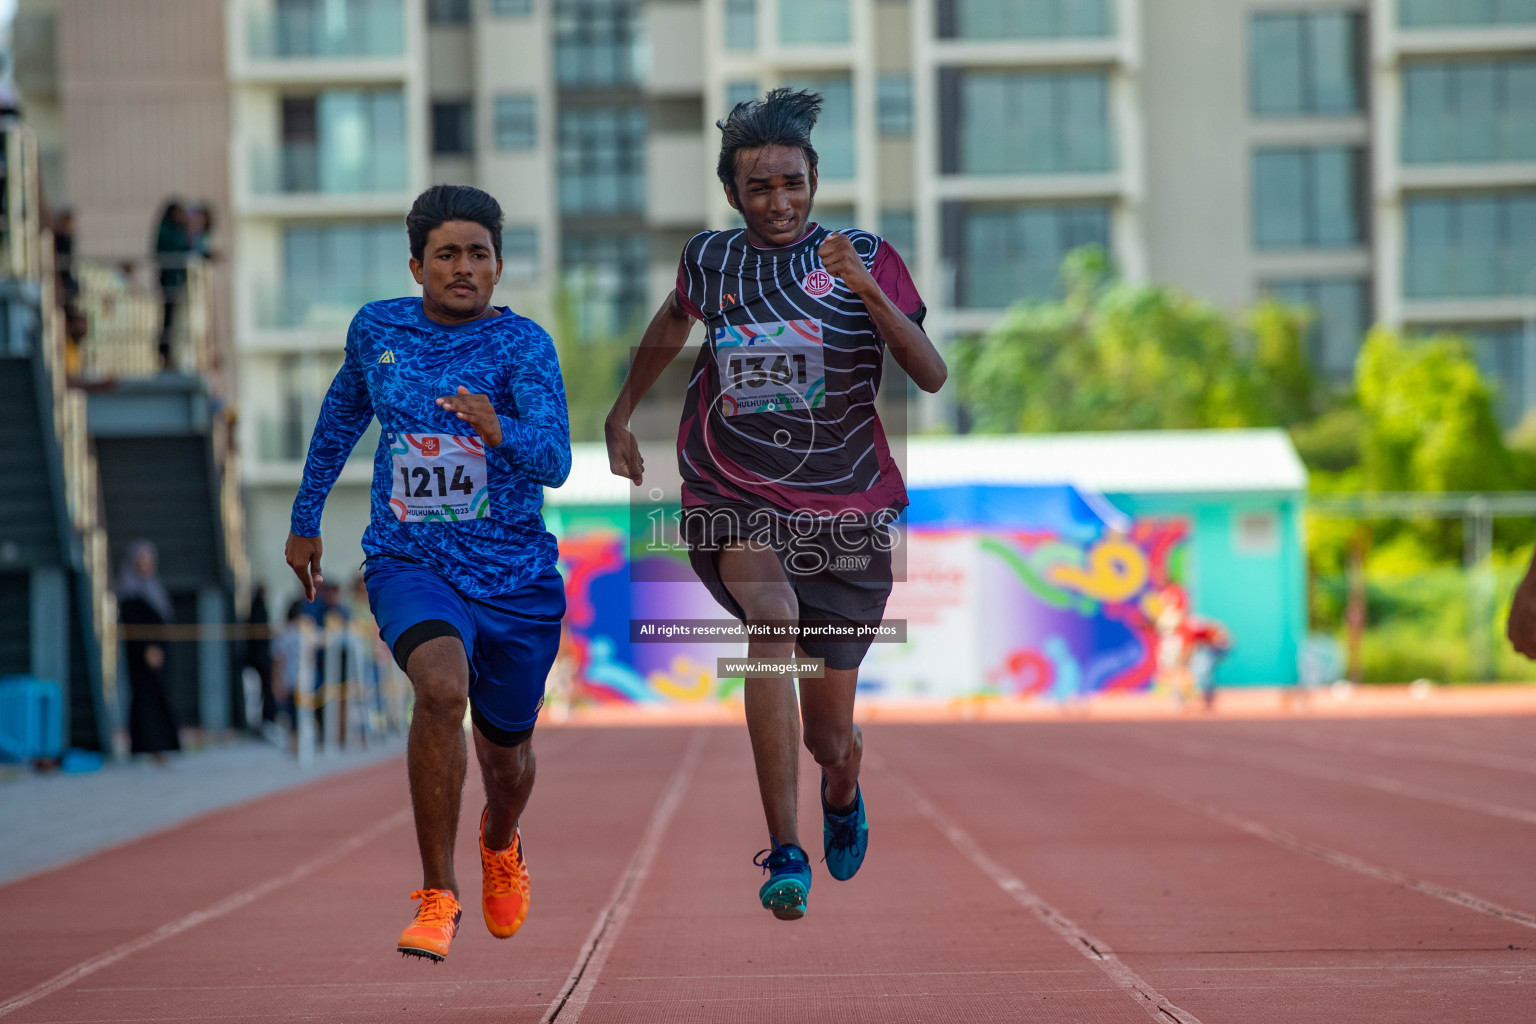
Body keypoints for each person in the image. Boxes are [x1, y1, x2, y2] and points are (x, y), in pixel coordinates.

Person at [604, 89, 946, 920]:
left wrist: (864, 287)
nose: (779, 201)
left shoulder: (863, 252)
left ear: (815, 177)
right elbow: (669, 322)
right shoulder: (709, 261)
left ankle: (841, 782)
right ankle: (783, 849)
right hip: (733, 487)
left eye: (791, 183)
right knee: (771, 616)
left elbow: (930, 374)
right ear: (732, 195)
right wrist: (619, 414)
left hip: (848, 510)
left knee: (826, 734)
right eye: (759, 188)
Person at [284, 184, 571, 962]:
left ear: (499, 266)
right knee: (442, 689)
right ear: (417, 264)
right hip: (411, 559)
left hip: (514, 578)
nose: (464, 268)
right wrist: (306, 517)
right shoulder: (377, 330)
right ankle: (437, 894)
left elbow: (556, 461)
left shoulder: (524, 347)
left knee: (506, 761)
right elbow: (342, 413)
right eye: (447, 254)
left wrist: (497, 426)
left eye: (479, 254)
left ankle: (500, 840)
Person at [115, 540, 181, 762]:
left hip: (160, 653)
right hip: (143, 656)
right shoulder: (129, 591)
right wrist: (147, 649)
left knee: (160, 696)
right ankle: (147, 748)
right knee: (145, 699)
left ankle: (162, 746)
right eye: (142, 561)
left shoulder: (154, 588)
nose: (147, 565)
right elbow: (134, 624)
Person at [153, 200, 191, 370]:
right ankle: (165, 352)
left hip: (177, 280)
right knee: (168, 317)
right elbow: (171, 250)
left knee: (175, 319)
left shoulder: (178, 229)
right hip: (169, 279)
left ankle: (170, 352)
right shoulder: (167, 230)